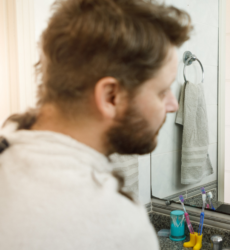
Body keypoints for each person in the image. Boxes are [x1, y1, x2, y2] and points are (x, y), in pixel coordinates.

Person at [0, 0, 192, 249]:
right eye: (162, 91)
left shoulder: (9, 149)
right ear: (111, 96)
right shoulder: (118, 226)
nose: (173, 105)